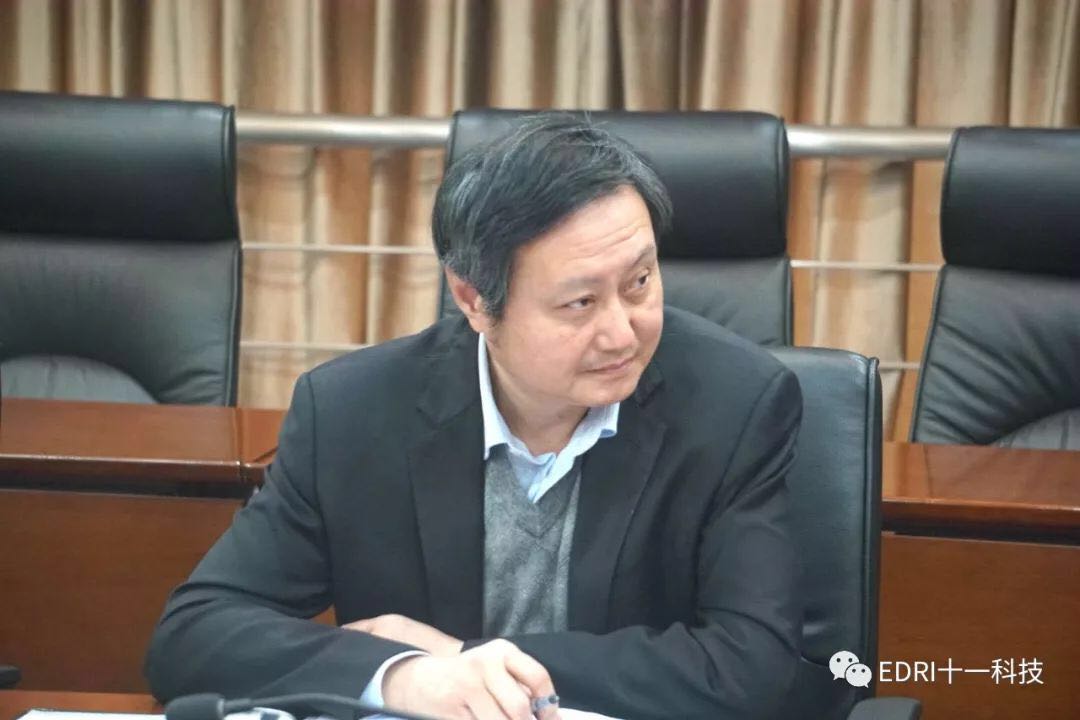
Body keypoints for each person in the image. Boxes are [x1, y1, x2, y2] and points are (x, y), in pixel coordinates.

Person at [145, 113, 803, 720]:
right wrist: (402, 677)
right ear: (473, 300)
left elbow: (756, 667)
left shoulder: (735, 404)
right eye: (579, 303)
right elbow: (196, 635)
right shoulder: (353, 413)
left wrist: (462, 658)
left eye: (640, 282)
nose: (622, 333)